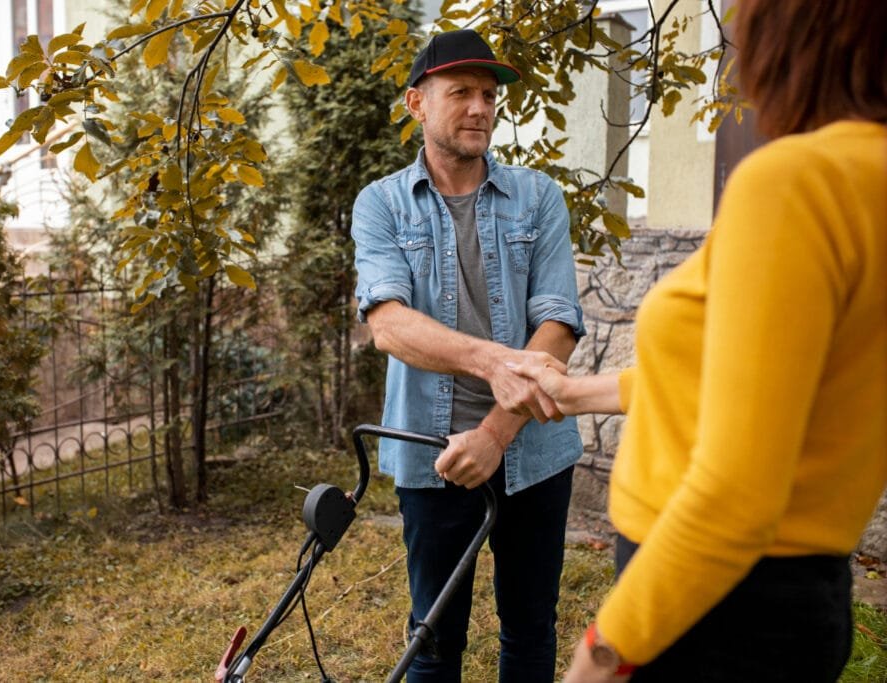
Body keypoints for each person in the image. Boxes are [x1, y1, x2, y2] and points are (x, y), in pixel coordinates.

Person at [507, 1, 887, 680]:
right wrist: (571, 392)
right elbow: (749, 381)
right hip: (798, 598)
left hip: (712, 603)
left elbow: (736, 495)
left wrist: (605, 650)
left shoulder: (797, 181)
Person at [351, 29, 585, 682]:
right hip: (433, 456)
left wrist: (494, 433)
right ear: (417, 103)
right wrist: (495, 364)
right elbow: (389, 325)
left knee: (531, 629)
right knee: (432, 638)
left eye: (488, 94)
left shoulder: (539, 197)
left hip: (535, 450)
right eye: (461, 92)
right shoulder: (381, 204)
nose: (480, 107)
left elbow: (559, 323)